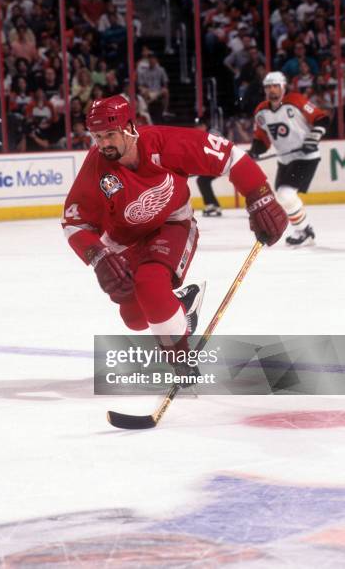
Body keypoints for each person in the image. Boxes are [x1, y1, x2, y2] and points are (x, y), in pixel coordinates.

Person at [62, 95, 288, 386]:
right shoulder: (97, 169)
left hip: (171, 225)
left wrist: (259, 195)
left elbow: (229, 156)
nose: (103, 143)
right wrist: (97, 255)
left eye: (109, 134)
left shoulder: (163, 143)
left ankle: (180, 360)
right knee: (134, 319)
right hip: (123, 242)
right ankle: (181, 310)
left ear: (129, 127)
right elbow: (74, 221)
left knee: (150, 285)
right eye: (96, 137)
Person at [249, 71, 329, 246]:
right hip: (285, 160)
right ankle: (305, 229)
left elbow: (322, 119)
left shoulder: (296, 100)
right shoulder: (261, 111)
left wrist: (313, 137)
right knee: (282, 197)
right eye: (268, 86)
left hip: (306, 156)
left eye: (275, 86)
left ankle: (304, 231)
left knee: (286, 194)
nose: (272, 90)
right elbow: (261, 139)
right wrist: (254, 151)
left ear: (283, 87)